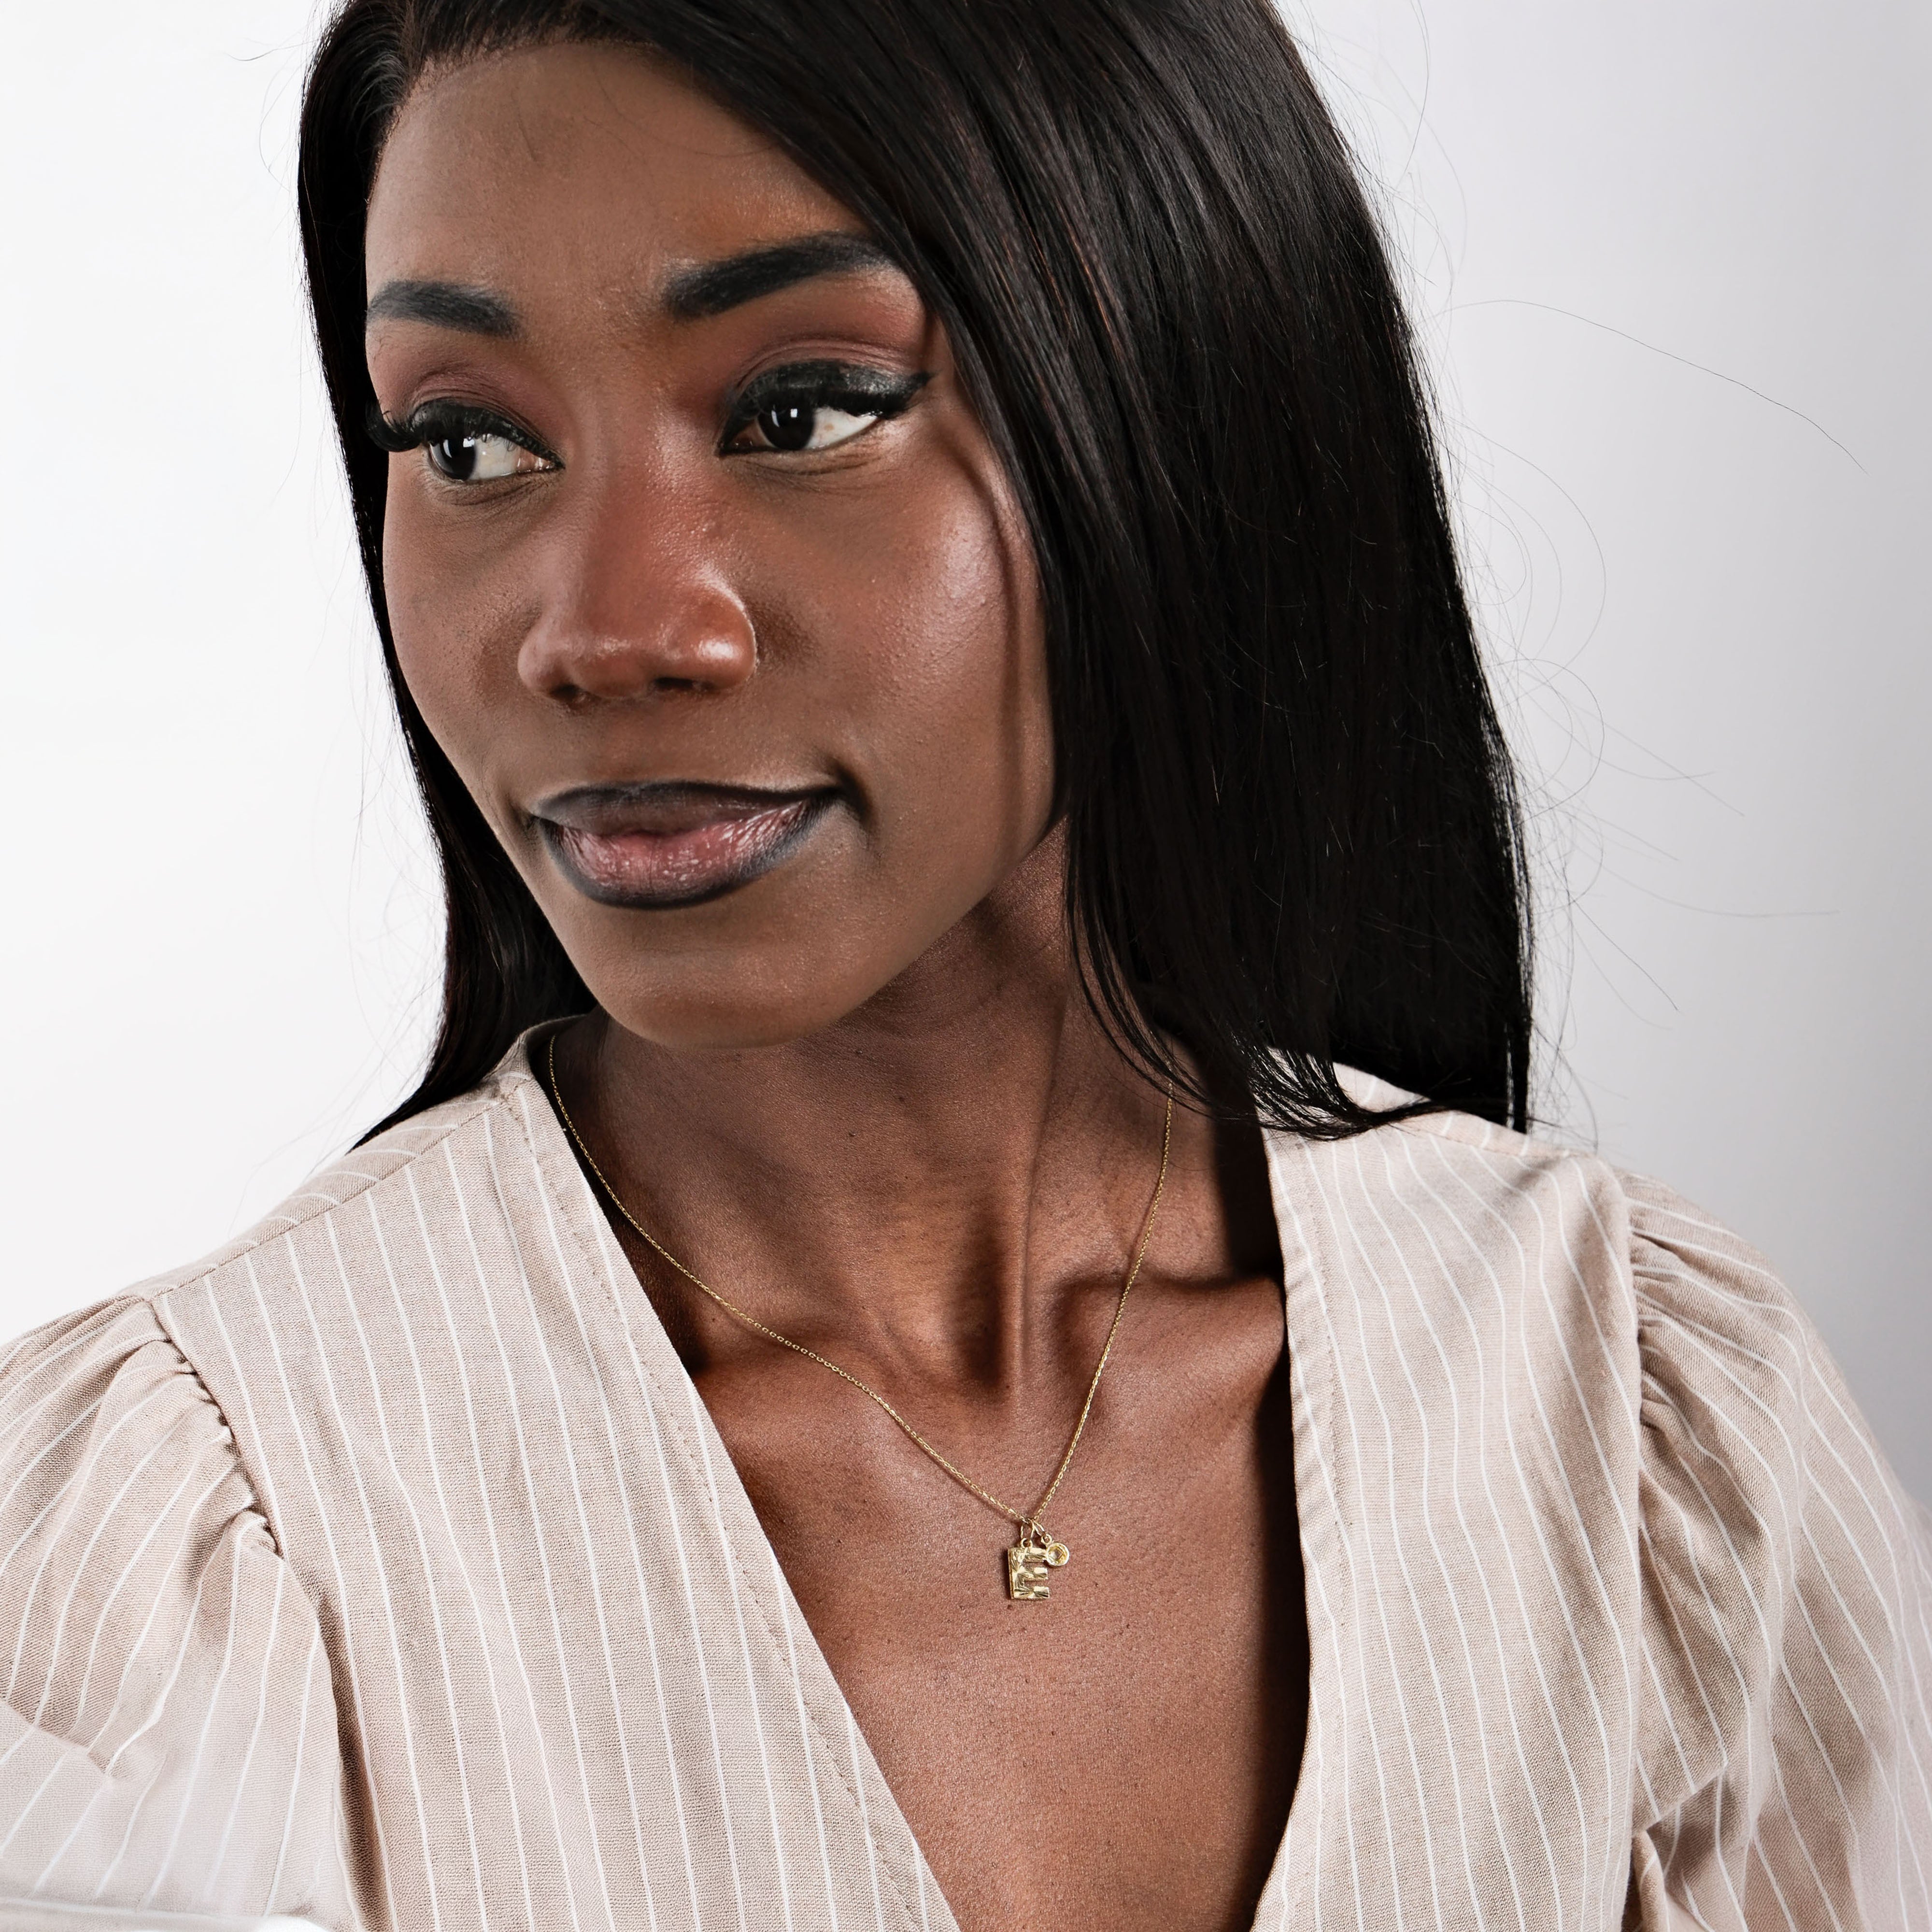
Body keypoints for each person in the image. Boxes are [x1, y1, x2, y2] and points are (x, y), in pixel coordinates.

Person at [0, 0, 1925, 1926]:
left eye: (803, 409)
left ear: (1183, 401)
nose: (597, 634)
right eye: (470, 439)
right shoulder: (187, 1545)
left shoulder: (1638, 1413)